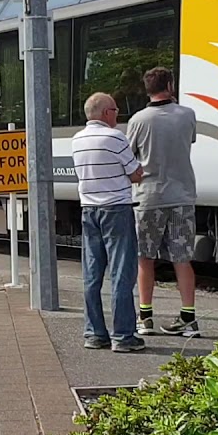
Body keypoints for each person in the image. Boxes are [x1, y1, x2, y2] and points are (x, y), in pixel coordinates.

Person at [126, 66, 200, 338]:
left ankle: (145, 318)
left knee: (145, 258)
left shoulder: (138, 120)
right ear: (169, 85)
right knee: (182, 258)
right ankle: (188, 319)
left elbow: (130, 154)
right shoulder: (187, 115)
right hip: (182, 197)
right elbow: (189, 141)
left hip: (149, 197)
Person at [71, 92, 145, 353]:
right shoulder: (115, 138)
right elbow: (135, 173)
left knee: (92, 274)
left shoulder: (77, 140)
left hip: (89, 210)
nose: (118, 114)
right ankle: (124, 336)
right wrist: (138, 172)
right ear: (105, 113)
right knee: (121, 273)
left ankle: (94, 334)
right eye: (115, 109)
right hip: (116, 210)